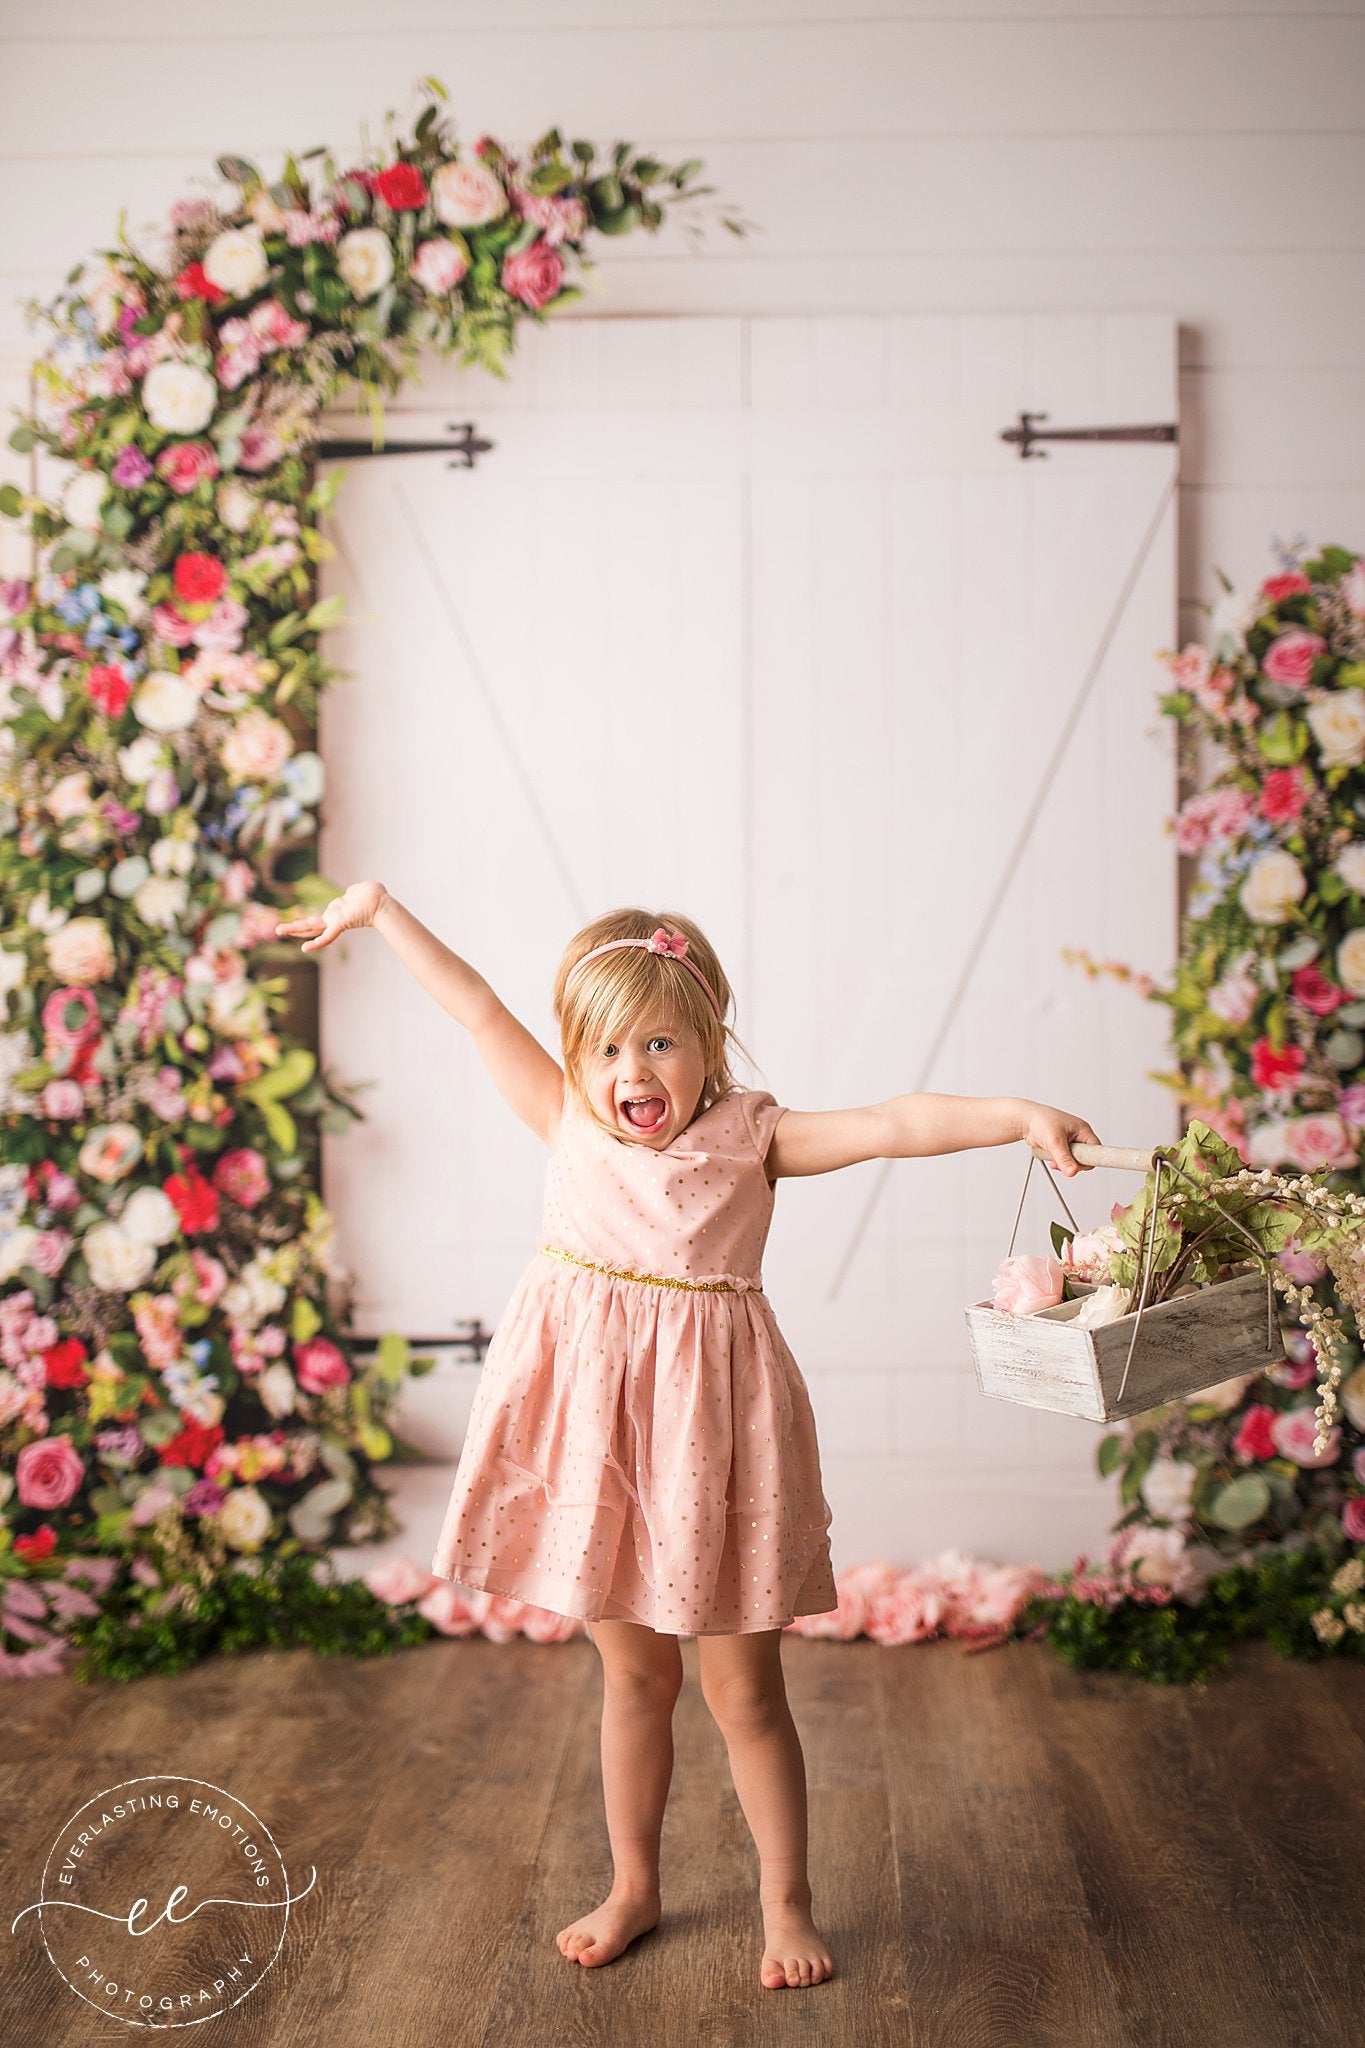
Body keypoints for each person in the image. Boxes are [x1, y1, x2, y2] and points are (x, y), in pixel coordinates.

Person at [275, 887, 1102, 1991]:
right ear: (577, 1053)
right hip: (599, 1451)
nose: (634, 1069)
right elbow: (474, 1006)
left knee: (745, 1692)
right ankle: (633, 1882)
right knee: (633, 1681)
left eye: (661, 1041)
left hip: (715, 1447)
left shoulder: (756, 1137)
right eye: (609, 1044)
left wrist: (1018, 1113)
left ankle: (785, 1898)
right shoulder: (564, 1115)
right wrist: (379, 912)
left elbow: (895, 1122)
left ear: (711, 1039)